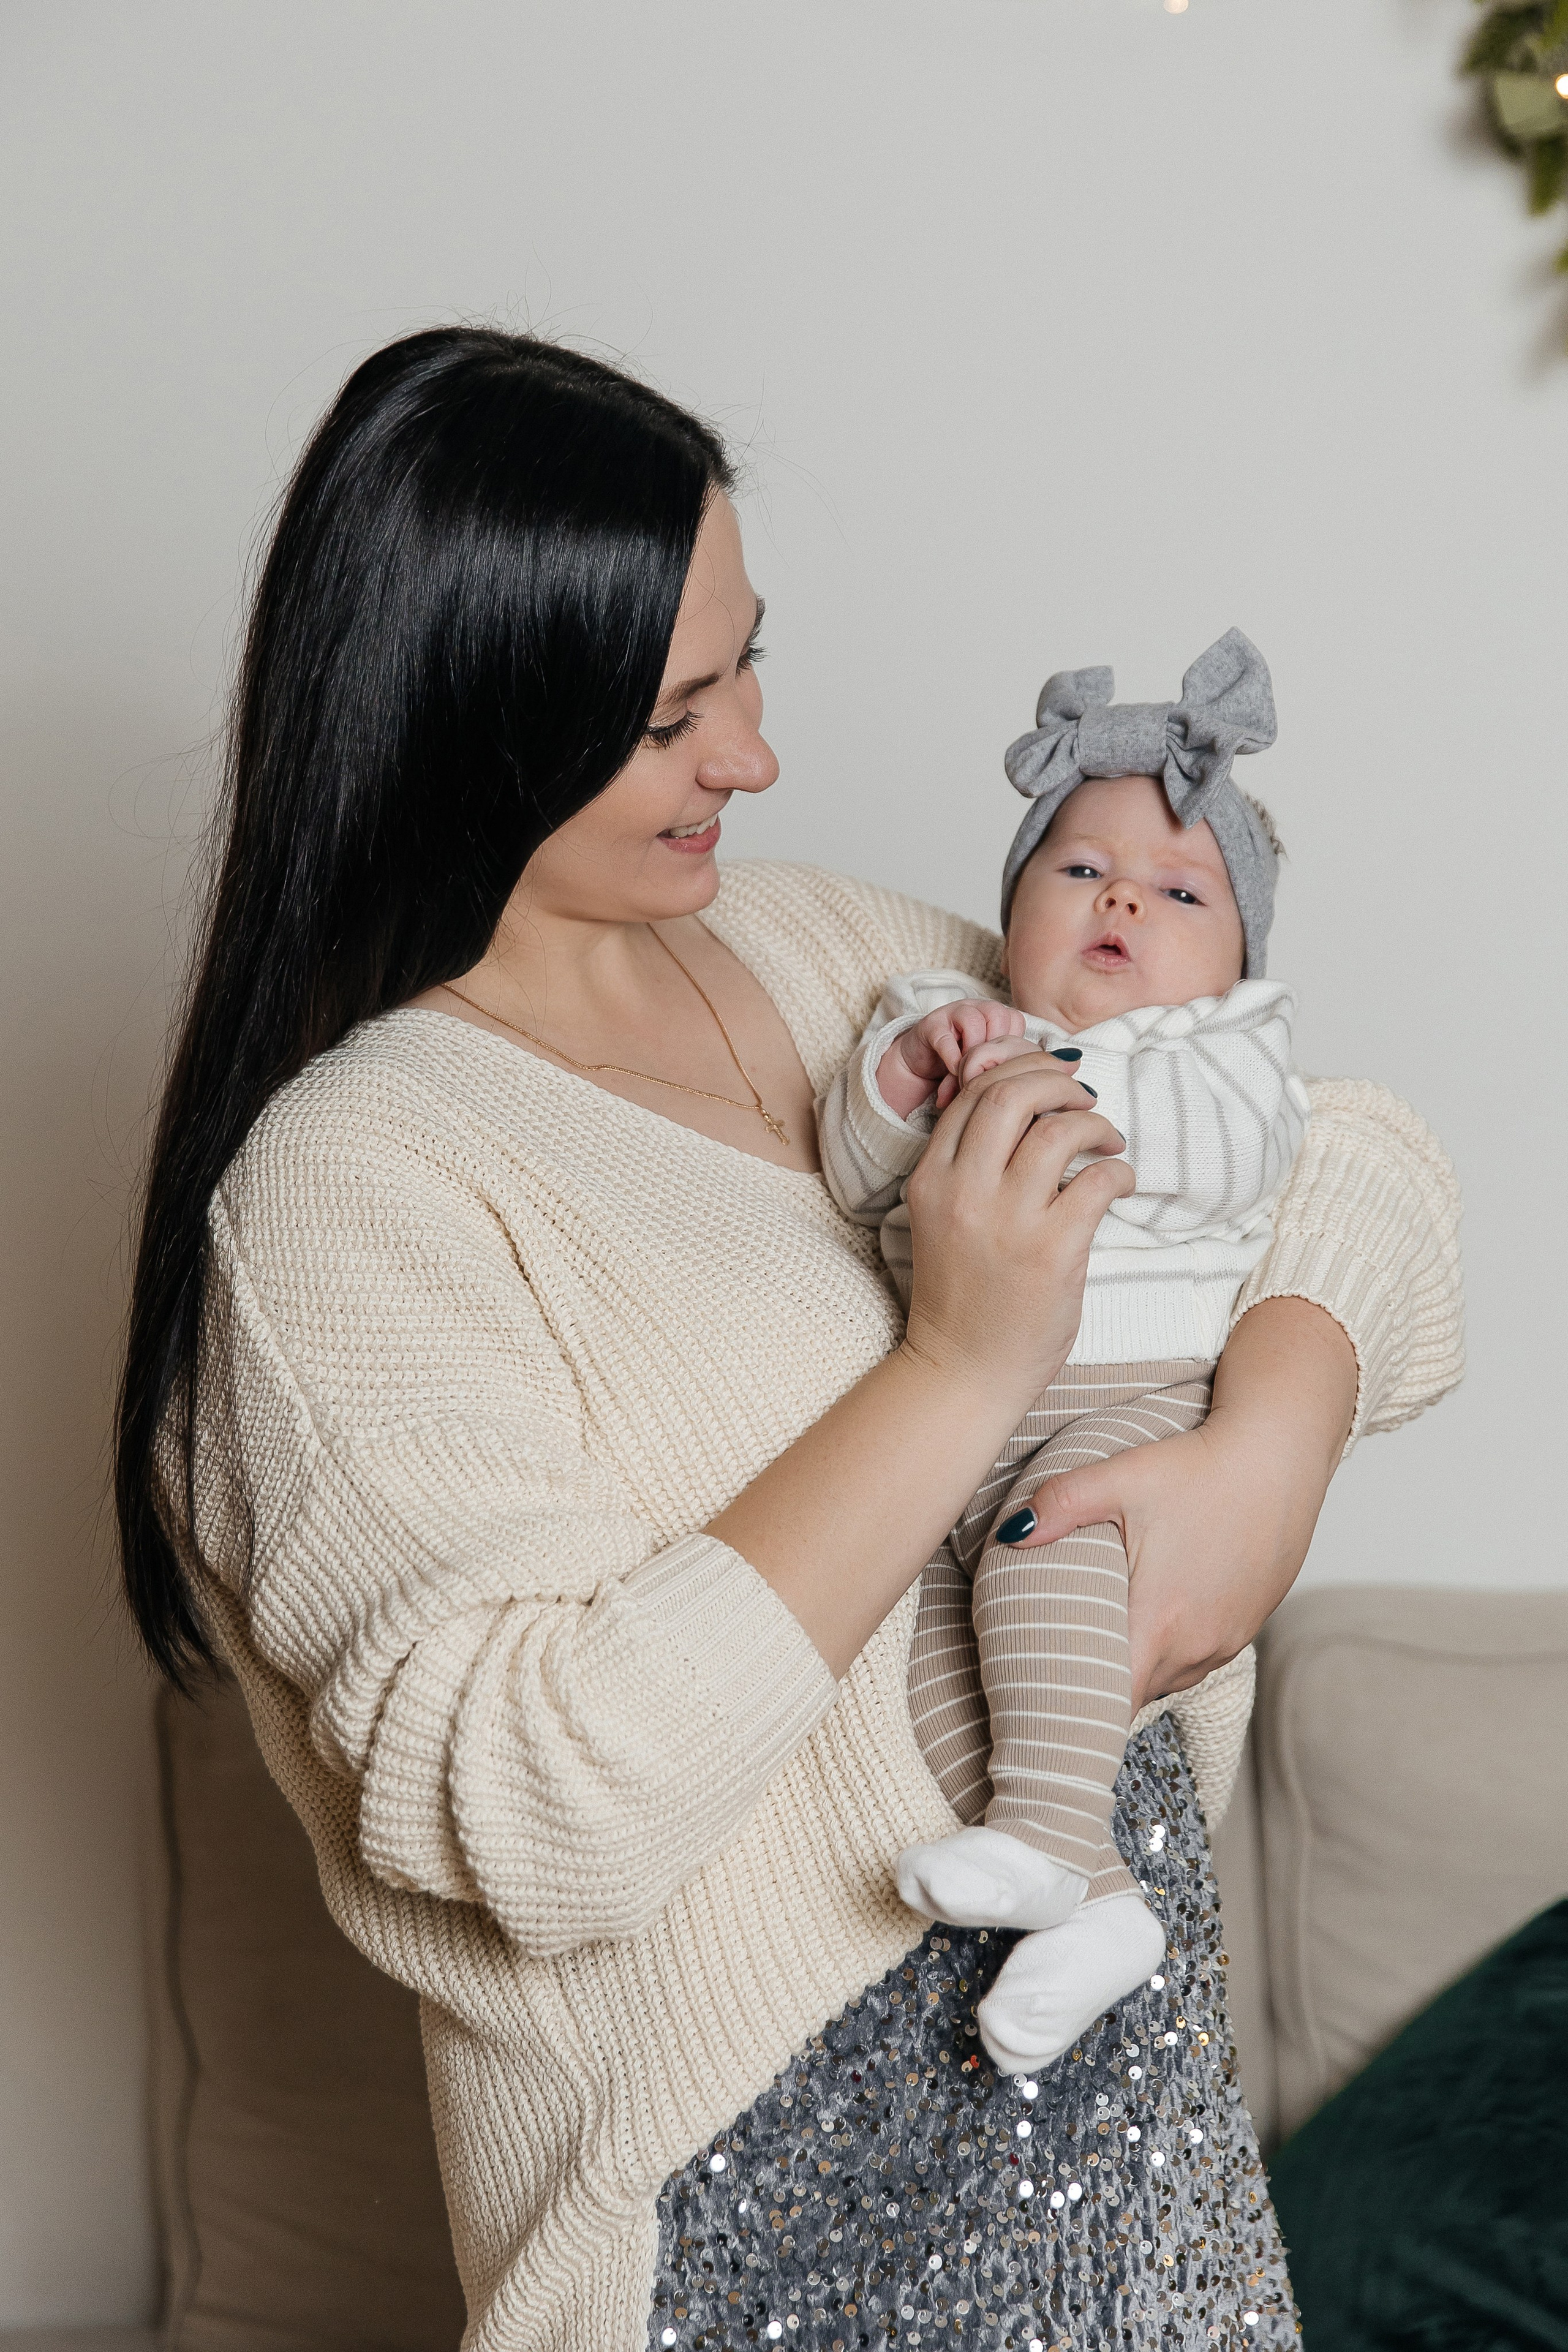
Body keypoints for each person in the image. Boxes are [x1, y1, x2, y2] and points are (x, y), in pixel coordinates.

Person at [115, 327, 1463, 2352]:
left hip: (1141, 2147)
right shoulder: (348, 1195)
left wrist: (1271, 1444)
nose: (752, 753)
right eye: (676, 714)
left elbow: (1325, 1135)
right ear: (485, 719)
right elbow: (534, 1810)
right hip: (781, 2246)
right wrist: (960, 1367)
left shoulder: (821, 949)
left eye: (751, 661)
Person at [816, 631, 1311, 2072]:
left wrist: (1045, 1084)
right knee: (918, 1655)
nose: (1120, 904)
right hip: (961, 1423)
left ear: (1234, 953)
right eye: (1077, 870)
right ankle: (1087, 1898)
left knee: (1048, 1559)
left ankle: (1044, 1835)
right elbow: (852, 1167)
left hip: (1135, 1402)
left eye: (1176, 891)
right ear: (1014, 901)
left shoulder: (1228, 1050)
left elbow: (1233, 1158)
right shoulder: (938, 1015)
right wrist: (910, 1079)